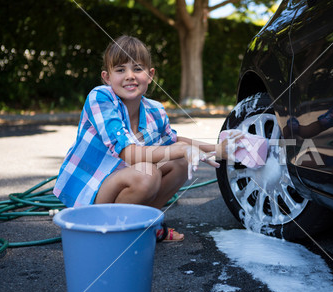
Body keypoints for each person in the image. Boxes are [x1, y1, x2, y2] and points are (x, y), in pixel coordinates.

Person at [53, 35, 238, 242]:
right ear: (107, 77)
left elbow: (173, 141)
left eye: (137, 68)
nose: (130, 76)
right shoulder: (101, 98)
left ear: (150, 75)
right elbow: (129, 154)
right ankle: (111, 234)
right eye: (120, 70)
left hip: (121, 180)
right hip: (93, 192)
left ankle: (146, 226)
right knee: (147, 173)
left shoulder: (155, 110)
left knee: (179, 163)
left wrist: (218, 149)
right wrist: (180, 149)